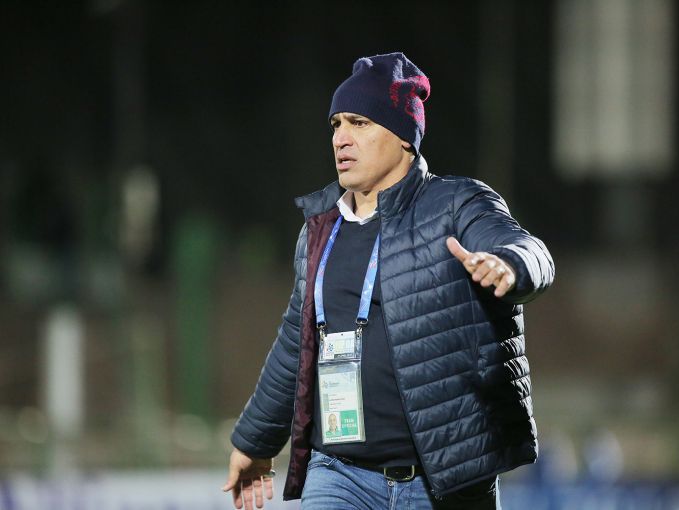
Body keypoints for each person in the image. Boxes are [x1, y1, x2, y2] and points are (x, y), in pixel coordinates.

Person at [222, 52, 554, 509]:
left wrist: (510, 265)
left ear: (403, 138)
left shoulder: (455, 205)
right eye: (336, 124)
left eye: (359, 123)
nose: (341, 138)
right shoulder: (320, 230)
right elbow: (296, 343)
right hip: (339, 474)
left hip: (444, 483)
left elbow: (528, 250)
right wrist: (255, 440)